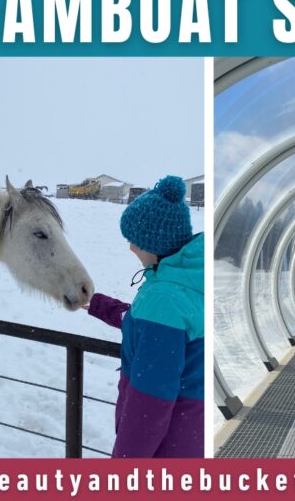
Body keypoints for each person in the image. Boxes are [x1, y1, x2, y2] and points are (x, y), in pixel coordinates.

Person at [84, 175, 204, 458]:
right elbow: (152, 328)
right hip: (188, 435)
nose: (130, 247)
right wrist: (98, 305)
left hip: (165, 447)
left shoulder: (164, 297)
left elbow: (150, 401)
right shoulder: (186, 279)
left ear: (152, 244)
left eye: (134, 240)